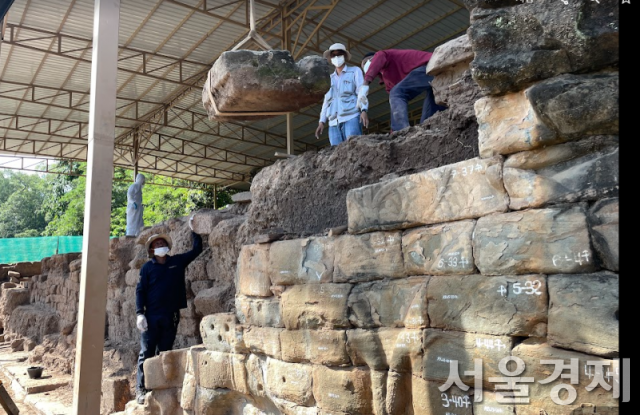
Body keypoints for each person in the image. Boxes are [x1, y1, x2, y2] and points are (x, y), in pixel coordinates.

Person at [134, 216, 202, 404]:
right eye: (157, 244)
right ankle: (141, 389)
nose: (160, 246)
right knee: (146, 353)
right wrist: (140, 313)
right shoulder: (147, 268)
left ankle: (160, 385)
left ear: (167, 247)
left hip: (170, 316)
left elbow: (196, 250)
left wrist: (194, 230)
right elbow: (140, 291)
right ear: (151, 250)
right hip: (151, 317)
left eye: (163, 243)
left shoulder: (177, 262)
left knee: (165, 352)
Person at [359, 49, 446, 132]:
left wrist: (366, 83)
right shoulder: (388, 81)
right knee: (428, 117)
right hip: (437, 78)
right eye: (363, 66)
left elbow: (379, 57)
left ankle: (400, 131)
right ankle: (428, 131)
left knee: (396, 93)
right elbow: (395, 103)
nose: (365, 65)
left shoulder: (383, 55)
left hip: (431, 66)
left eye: (366, 62)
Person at [315, 43, 369, 146]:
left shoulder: (354, 71)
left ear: (344, 56)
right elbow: (326, 102)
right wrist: (321, 122)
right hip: (333, 123)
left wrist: (363, 110)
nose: (336, 57)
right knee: (337, 155)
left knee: (354, 149)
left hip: (351, 117)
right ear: (330, 59)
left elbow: (361, 92)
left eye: (339, 54)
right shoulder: (329, 79)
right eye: (333, 55)